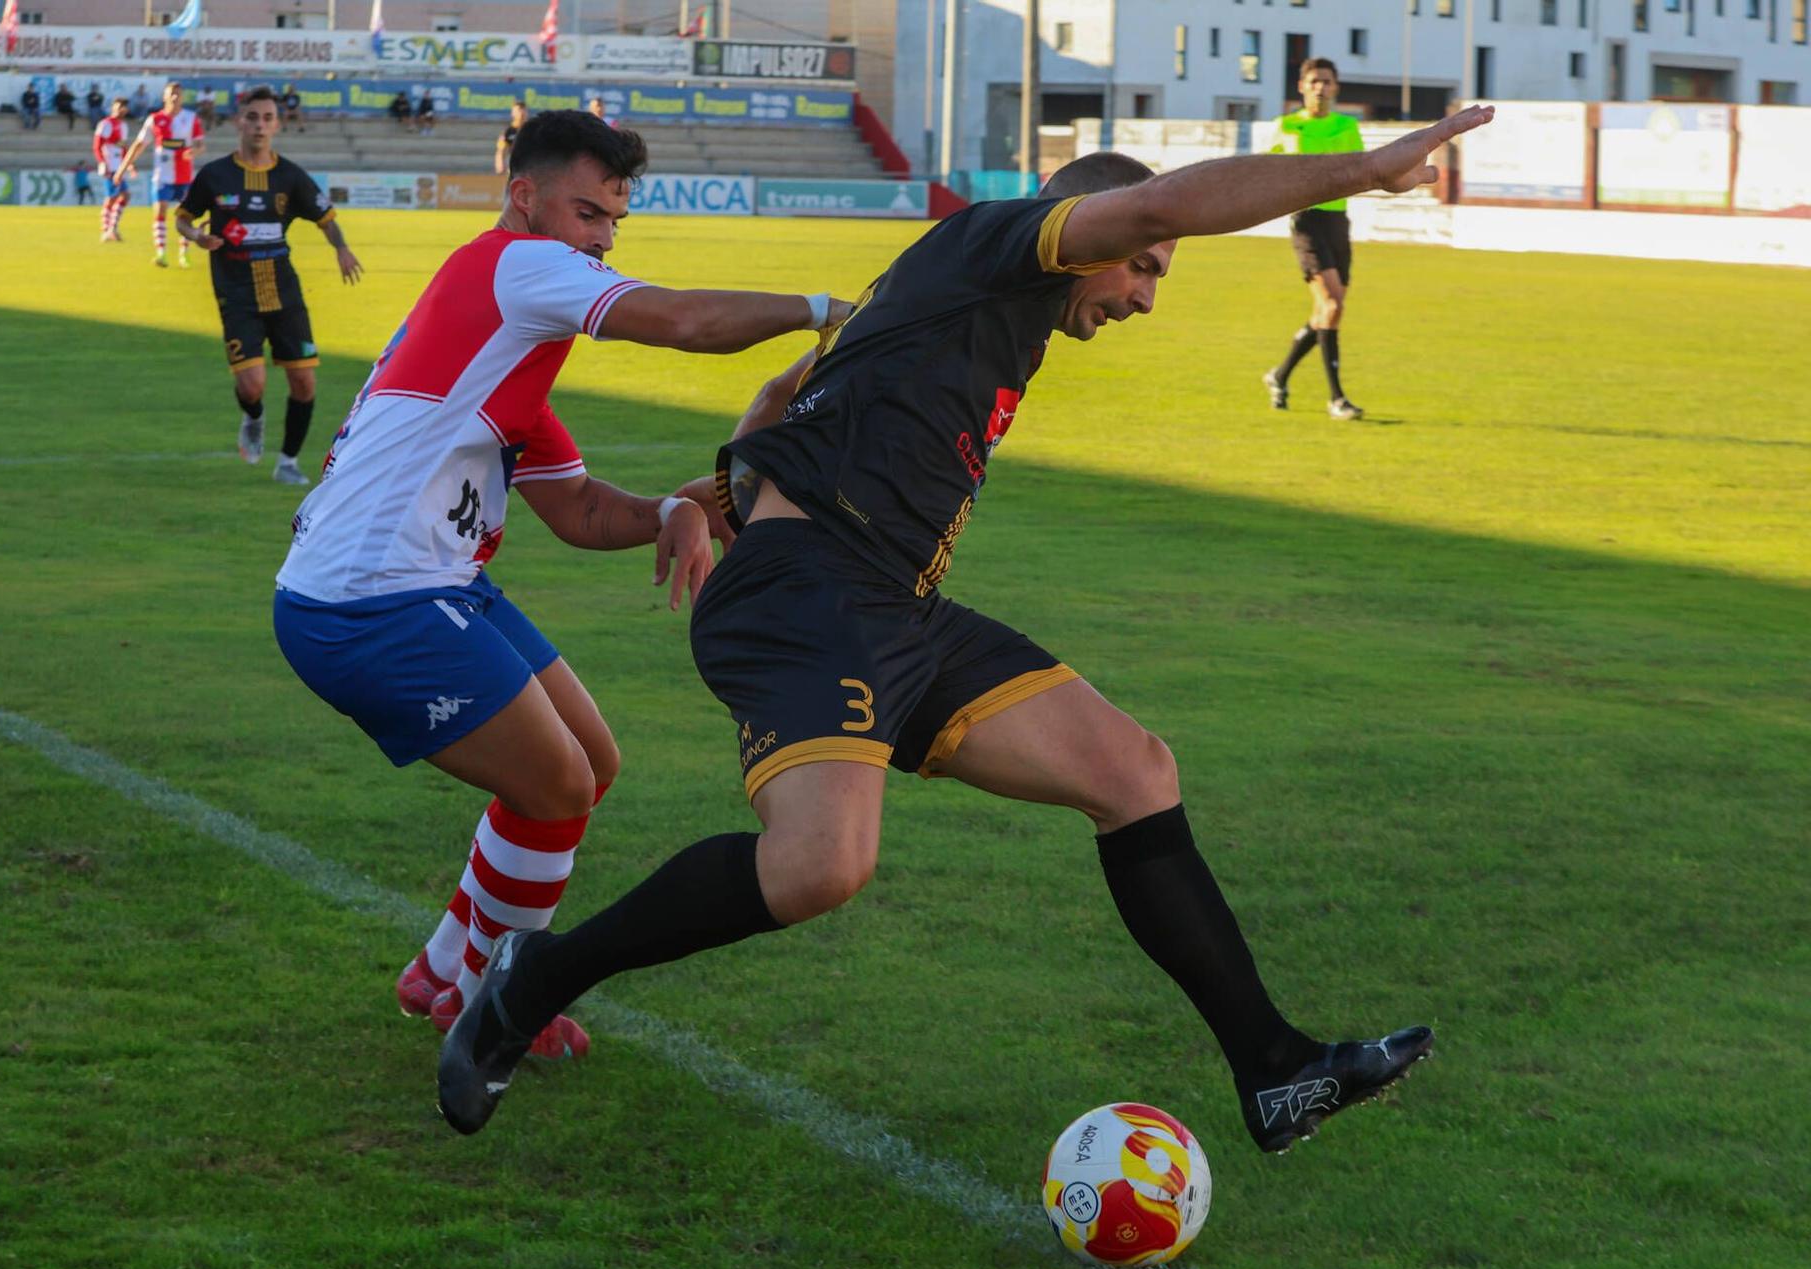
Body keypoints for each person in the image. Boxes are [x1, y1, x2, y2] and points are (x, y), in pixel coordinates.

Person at [437, 105, 1499, 1153]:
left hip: (889, 602)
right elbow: (1163, 201)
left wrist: (731, 494)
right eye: (1144, 267)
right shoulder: (1005, 242)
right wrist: (1364, 170)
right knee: (821, 866)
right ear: (1090, 229)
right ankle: (535, 977)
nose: (1143, 296)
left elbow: (780, 394)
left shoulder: (979, 298)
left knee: (1133, 771)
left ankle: (1274, 1067)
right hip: (812, 594)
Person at [271, 110, 850, 1060]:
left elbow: (579, 511)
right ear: (523, 197)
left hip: (428, 584)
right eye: (587, 213)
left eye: (614, 220)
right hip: (369, 599)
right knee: (557, 786)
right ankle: (488, 1004)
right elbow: (684, 320)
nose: (603, 239)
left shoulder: (502, 345)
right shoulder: (512, 266)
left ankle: (443, 967)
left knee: (590, 760)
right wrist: (826, 311)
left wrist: (676, 509)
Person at [171, 86, 361, 484]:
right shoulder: (215, 175)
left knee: (304, 382)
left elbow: (326, 218)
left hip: (284, 292)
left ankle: (288, 462)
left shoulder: (289, 176)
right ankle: (254, 417)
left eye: (268, 118)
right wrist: (197, 236)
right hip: (236, 294)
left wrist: (342, 248)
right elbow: (183, 218)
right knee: (252, 385)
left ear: (277, 125)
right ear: (239, 122)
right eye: (253, 117)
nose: (260, 125)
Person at [1263, 58, 1368, 421]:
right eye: (1314, 81)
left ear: (1335, 87)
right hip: (1305, 222)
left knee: (1326, 311)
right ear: (1301, 86)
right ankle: (1337, 399)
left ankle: (1279, 376)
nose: (1320, 87)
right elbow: (1265, 173)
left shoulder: (1347, 127)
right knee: (1332, 306)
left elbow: (1361, 170)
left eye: (1326, 81)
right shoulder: (1286, 126)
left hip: (1337, 222)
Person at [111, 81, 205, 268]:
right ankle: (161, 253)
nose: (175, 97)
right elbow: (139, 145)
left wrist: (194, 151)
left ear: (182, 97)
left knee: (185, 217)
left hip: (185, 177)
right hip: (162, 176)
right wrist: (122, 169)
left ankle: (184, 254)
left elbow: (200, 145)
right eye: (171, 93)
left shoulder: (191, 118)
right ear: (164, 97)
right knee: (159, 212)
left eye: (178, 93)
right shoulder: (155, 119)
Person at [92, 95, 134, 242]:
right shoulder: (105, 124)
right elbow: (97, 145)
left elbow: (123, 147)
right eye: (119, 106)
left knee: (124, 196)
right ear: (113, 107)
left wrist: (129, 164)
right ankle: (107, 230)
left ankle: (111, 229)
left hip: (119, 167)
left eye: (124, 107)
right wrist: (102, 162)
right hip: (110, 165)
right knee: (112, 198)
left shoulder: (124, 126)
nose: (121, 109)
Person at [493, 99, 526, 174]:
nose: (522, 113)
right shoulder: (508, 132)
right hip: (515, 169)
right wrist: (500, 164)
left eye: (523, 110)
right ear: (513, 113)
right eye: (519, 110)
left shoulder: (532, 129)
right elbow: (501, 150)